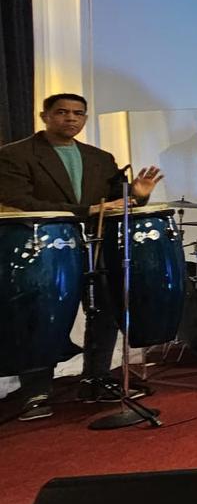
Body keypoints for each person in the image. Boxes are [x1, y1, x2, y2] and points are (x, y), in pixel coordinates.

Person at [0, 92, 162, 420]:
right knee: (42, 316)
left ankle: (96, 379)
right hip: (43, 248)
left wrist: (136, 196)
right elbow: (19, 201)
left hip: (96, 244)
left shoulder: (99, 158)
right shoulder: (14, 155)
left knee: (105, 309)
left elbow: (114, 202)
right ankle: (36, 392)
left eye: (78, 113)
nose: (71, 118)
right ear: (45, 116)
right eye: (62, 112)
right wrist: (86, 210)